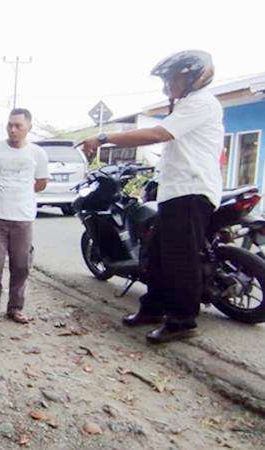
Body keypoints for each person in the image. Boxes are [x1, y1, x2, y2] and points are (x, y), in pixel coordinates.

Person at [79, 50, 222, 344]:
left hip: (191, 192)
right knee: (154, 256)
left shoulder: (201, 104)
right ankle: (153, 308)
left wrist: (105, 138)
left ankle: (182, 320)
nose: (168, 85)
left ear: (194, 76)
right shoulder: (186, 106)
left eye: (172, 78)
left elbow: (157, 134)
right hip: (175, 192)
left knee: (180, 259)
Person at [0, 109, 49, 326]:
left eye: (18, 126)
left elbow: (41, 183)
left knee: (21, 264)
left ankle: (15, 308)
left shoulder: (37, 154)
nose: (13, 130)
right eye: (10, 125)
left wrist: (20, 195)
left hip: (23, 218)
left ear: (29, 127)